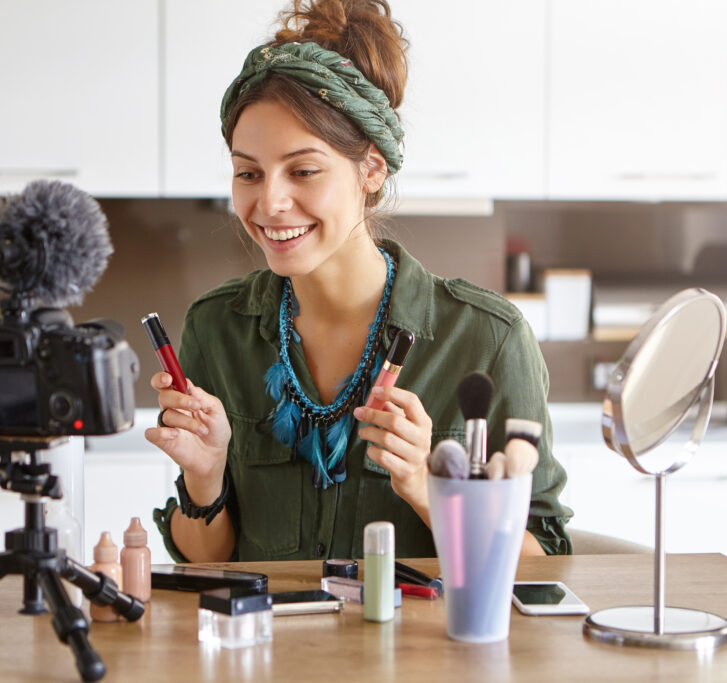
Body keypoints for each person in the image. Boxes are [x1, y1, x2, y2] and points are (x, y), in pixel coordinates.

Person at [148, 0, 571, 562]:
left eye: (303, 171)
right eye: (248, 172)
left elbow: (546, 566)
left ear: (371, 169)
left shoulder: (488, 339)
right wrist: (205, 478)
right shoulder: (216, 328)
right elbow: (206, 563)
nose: (269, 202)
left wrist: (426, 486)